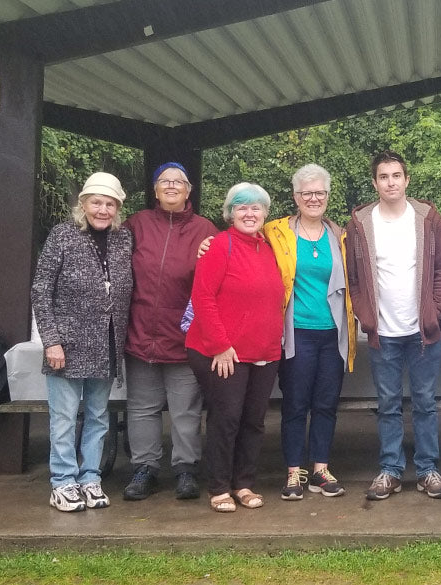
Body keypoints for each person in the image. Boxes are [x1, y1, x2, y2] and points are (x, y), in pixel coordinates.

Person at [346, 150, 441, 501]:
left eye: (396, 175)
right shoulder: (361, 221)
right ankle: (391, 470)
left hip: (422, 330)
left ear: (407, 180)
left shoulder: (426, 217)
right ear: (375, 182)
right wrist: (365, 314)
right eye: (383, 176)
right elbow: (354, 277)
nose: (390, 182)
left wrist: (435, 310)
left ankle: (427, 470)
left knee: (424, 401)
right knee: (388, 403)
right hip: (383, 333)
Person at [32, 172, 133, 513]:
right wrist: (51, 341)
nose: (102, 210)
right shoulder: (61, 235)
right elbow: (41, 289)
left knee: (98, 417)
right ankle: (62, 482)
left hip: (106, 345)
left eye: (109, 204)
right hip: (66, 346)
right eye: (96, 202)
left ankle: (90, 477)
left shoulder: (124, 239)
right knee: (62, 418)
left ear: (117, 208)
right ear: (84, 204)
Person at [122, 162, 217, 502]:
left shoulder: (205, 229)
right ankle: (144, 469)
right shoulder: (137, 224)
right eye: (165, 181)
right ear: (156, 190)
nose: (172, 186)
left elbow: (216, 280)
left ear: (189, 191)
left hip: (184, 337)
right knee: (142, 408)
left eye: (179, 181)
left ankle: (186, 470)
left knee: (185, 410)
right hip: (140, 333)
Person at [185, 183, 284, 513]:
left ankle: (244, 483)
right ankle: (219, 486)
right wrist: (220, 346)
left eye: (256, 207)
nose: (249, 213)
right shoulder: (219, 246)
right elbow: (202, 298)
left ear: (265, 214)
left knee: (254, 420)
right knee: (226, 418)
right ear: (230, 213)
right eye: (241, 207)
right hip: (224, 351)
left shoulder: (271, 248)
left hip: (265, 351)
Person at [263, 164, 356, 501]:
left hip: (333, 332)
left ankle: (320, 470)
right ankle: (293, 472)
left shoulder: (340, 235)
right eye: (307, 193)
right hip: (297, 331)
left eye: (319, 193)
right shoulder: (275, 232)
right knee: (296, 404)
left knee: (327, 403)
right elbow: (242, 237)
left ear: (328, 197)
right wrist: (208, 241)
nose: (313, 198)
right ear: (295, 197)